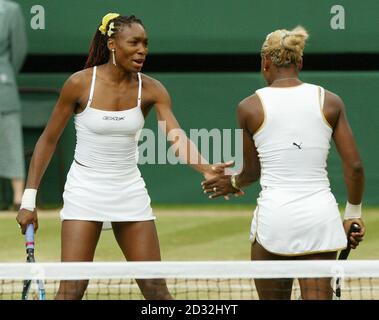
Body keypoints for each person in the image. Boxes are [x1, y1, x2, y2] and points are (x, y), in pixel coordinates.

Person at [16, 12, 229, 300]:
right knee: (72, 290)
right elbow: (47, 141)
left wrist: (205, 168)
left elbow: (176, 136)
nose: (142, 50)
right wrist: (29, 200)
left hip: (129, 191)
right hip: (84, 190)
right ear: (113, 44)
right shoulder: (79, 84)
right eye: (134, 42)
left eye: (146, 43)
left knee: (156, 291)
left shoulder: (152, 89)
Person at [201, 26, 366, 300]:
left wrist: (231, 182)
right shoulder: (331, 102)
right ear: (299, 62)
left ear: (265, 63)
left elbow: (251, 173)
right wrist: (352, 214)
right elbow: (356, 167)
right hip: (320, 218)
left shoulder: (249, 107)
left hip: (276, 220)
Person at [0, 0, 27, 210]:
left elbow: (19, 49)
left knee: (10, 139)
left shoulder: (11, 10)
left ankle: (19, 197)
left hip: (4, 86)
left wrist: (6, 73)